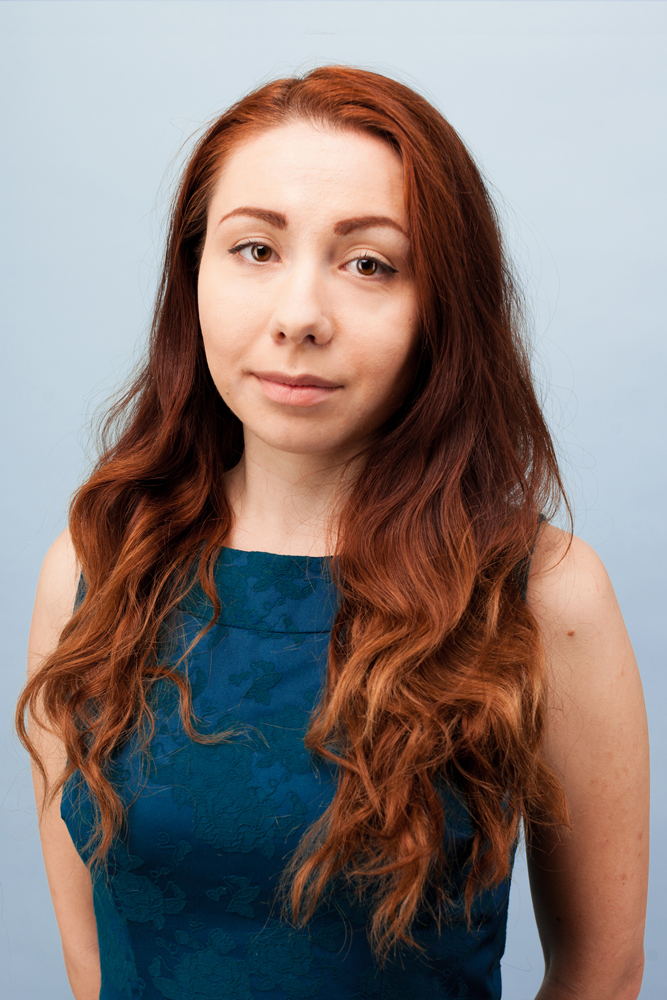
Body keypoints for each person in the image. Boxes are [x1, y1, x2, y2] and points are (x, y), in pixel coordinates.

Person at [17, 66, 649, 1000]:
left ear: (440, 305)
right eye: (255, 249)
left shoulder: (542, 590)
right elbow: (93, 963)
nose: (299, 317)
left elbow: (602, 971)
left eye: (369, 265)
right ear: (193, 273)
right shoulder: (95, 568)